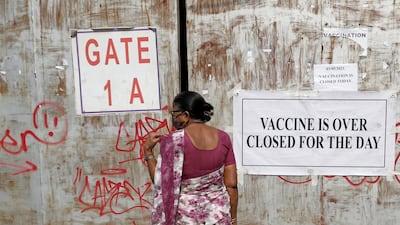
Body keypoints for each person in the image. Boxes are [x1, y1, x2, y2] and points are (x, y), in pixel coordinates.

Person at [143, 91, 238, 225]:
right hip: (218, 216)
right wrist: (233, 219)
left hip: (185, 218)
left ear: (186, 115)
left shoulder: (174, 141)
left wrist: (147, 151)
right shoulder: (224, 138)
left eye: (174, 114)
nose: (173, 118)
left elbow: (162, 183)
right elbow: (231, 185)